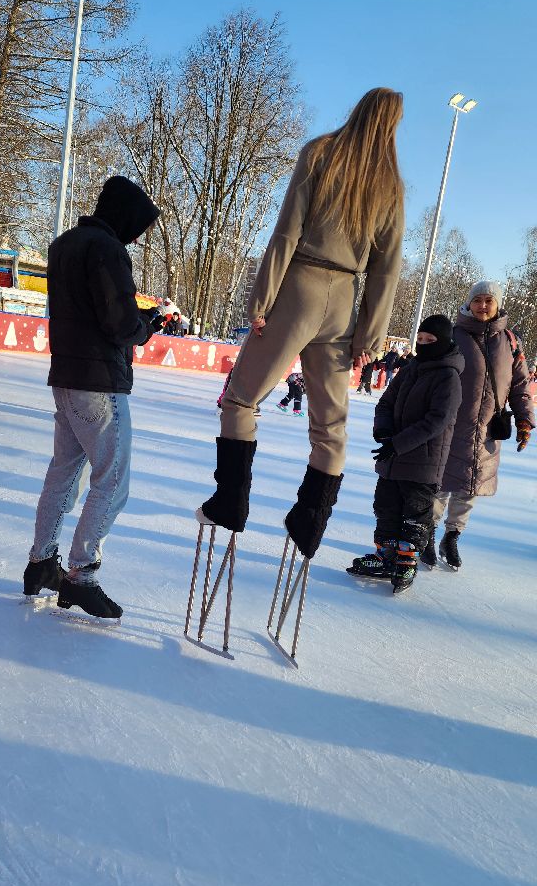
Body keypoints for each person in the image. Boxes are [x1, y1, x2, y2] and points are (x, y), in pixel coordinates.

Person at [197, 87, 405, 561]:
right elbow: (387, 267)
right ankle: (309, 523)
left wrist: (263, 297)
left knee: (241, 399)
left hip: (300, 286)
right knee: (331, 427)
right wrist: (369, 335)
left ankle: (230, 502)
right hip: (345, 299)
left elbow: (287, 230)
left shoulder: (322, 153)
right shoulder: (390, 185)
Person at [23, 176, 161, 617]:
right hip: (98, 383)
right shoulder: (106, 249)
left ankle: (42, 563)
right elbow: (119, 323)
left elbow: (87, 307)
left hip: (66, 375)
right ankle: (82, 575)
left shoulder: (65, 244)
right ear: (124, 217)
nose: (136, 238)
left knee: (64, 472)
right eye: (137, 228)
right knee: (112, 482)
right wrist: (145, 327)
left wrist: (133, 318)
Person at [421, 280, 535, 570]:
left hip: (487, 430)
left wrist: (524, 420)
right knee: (440, 483)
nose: (483, 305)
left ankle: (452, 536)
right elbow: (431, 373)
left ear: (497, 305)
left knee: (471, 486)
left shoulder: (510, 341)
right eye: (478, 300)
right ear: (468, 303)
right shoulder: (453, 335)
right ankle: (428, 534)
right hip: (451, 424)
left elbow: (520, 385)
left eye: (489, 300)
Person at [348, 315, 464, 592]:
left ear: (445, 342)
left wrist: (397, 443)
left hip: (424, 461)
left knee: (415, 513)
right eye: (420, 340)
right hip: (393, 457)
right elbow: (386, 402)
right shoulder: (411, 368)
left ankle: (407, 561)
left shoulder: (448, 376)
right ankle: (386, 555)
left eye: (430, 340)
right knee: (386, 507)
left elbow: (437, 421)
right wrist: (384, 431)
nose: (423, 344)